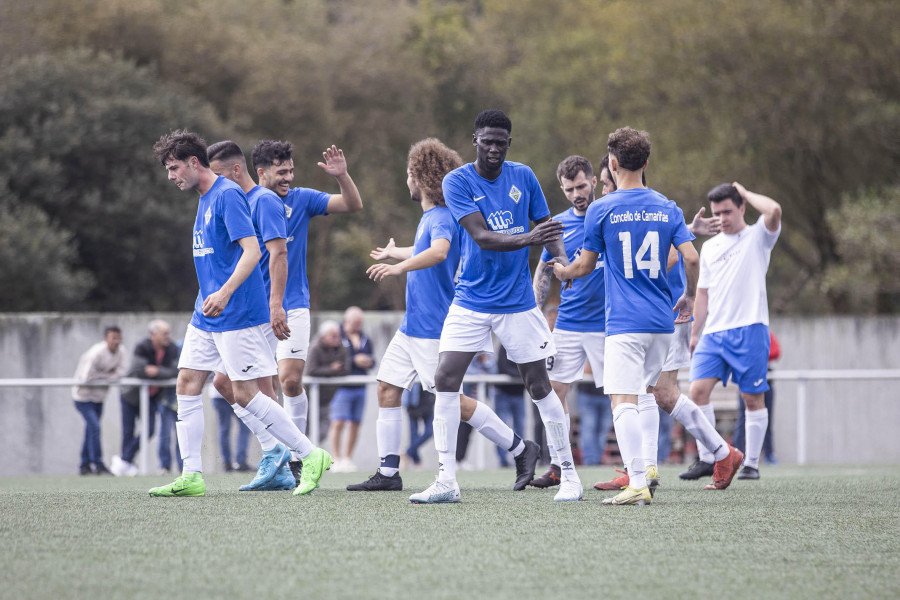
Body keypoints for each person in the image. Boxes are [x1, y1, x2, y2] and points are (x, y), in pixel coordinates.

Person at [554, 127, 741, 506]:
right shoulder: (667, 206)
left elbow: (585, 266)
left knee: (623, 401)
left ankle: (638, 480)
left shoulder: (601, 210)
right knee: (649, 396)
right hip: (662, 323)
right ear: (646, 163)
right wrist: (688, 296)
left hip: (624, 323)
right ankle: (652, 469)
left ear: (612, 163)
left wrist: (563, 273)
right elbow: (690, 257)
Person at [409, 109, 582, 504]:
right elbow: (482, 236)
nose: (493, 149)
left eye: (500, 142)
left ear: (509, 144)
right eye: (487, 141)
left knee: (539, 385)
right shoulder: (457, 181)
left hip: (517, 302)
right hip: (470, 298)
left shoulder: (523, 176)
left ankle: (569, 475)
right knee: (445, 379)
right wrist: (529, 238)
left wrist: (561, 261)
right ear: (475, 141)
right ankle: (446, 481)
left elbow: (549, 231)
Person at [349, 137, 541, 493]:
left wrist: (399, 267)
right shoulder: (431, 218)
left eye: (409, 173)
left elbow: (438, 252)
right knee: (387, 388)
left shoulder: (440, 217)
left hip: (433, 328)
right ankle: (389, 473)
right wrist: (398, 252)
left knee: (454, 402)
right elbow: (428, 247)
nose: (405, 180)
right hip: (412, 328)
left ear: (420, 178)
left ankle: (520, 447)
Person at [148, 130, 332, 497]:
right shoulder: (204, 198)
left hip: (237, 312)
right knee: (187, 383)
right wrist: (208, 297)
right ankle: (192, 475)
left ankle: (310, 455)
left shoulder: (228, 194)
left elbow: (253, 252)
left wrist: (225, 291)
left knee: (246, 393)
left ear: (193, 163)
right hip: (207, 314)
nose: (171, 176)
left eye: (173, 168)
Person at [252, 139, 363, 481]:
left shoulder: (302, 198)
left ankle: (299, 458)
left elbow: (352, 204)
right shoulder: (247, 202)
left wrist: (342, 176)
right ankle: (274, 456)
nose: (288, 177)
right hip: (253, 309)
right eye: (280, 171)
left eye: (291, 170)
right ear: (261, 173)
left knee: (289, 380)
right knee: (252, 388)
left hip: (294, 305)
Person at [206, 140, 294, 492]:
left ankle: (291, 458)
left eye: (217, 176)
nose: (213, 184)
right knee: (226, 384)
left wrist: (276, 305)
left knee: (262, 388)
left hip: (260, 311)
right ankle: (279, 455)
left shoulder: (265, 200)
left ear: (236, 171)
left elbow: (279, 254)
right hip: (244, 310)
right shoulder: (240, 202)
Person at [685, 181, 782, 481]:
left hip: (751, 329)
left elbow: (774, 209)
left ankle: (751, 464)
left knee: (752, 398)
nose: (722, 218)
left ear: (741, 208)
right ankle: (709, 458)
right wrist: (694, 331)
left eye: (727, 211)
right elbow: (702, 294)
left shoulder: (758, 237)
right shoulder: (710, 246)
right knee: (696, 392)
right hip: (714, 333)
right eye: (717, 213)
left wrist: (744, 191)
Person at [530, 155, 608, 488]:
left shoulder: (609, 214)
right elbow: (543, 270)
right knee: (553, 392)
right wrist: (535, 315)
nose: (577, 193)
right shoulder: (558, 225)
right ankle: (559, 465)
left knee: (627, 394)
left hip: (609, 324)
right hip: (570, 324)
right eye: (569, 189)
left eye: (581, 186)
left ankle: (642, 468)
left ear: (593, 181)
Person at [113, 319, 179, 477]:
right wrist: (159, 371)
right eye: (164, 334)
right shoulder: (142, 346)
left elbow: (174, 371)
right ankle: (126, 464)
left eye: (168, 333)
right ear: (153, 334)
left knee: (149, 430)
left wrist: (156, 371)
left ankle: (123, 460)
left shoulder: (172, 348)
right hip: (130, 396)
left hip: (151, 397)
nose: (167, 337)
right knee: (128, 431)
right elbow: (138, 370)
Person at [72, 326, 128, 475]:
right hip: (83, 398)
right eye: (113, 338)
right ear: (106, 339)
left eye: (118, 338)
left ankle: (84, 466)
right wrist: (108, 374)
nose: (116, 341)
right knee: (95, 428)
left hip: (99, 398)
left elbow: (121, 373)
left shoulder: (122, 351)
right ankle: (98, 464)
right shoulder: (96, 353)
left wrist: (102, 376)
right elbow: (86, 377)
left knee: (91, 430)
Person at [329, 306, 375, 472]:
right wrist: (354, 361)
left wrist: (368, 361)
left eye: (359, 323)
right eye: (355, 323)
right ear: (347, 321)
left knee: (355, 423)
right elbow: (333, 359)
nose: (357, 326)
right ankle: (336, 457)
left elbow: (373, 359)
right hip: (341, 387)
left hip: (360, 386)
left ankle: (347, 458)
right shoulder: (336, 336)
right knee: (338, 421)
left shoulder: (365, 339)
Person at [733, 331, 780, 464]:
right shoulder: (742, 335)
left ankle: (769, 455)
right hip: (747, 380)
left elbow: (776, 352)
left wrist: (757, 354)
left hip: (766, 381)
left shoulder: (766, 334)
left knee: (766, 420)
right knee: (743, 419)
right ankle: (739, 455)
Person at [492, 346, 526, 468]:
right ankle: (503, 462)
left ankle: (521, 459)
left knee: (520, 428)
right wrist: (524, 375)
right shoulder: (504, 345)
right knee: (501, 428)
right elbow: (503, 368)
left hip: (519, 394)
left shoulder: (525, 347)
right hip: (503, 393)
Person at [210, 384, 251, 472]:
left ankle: (238, 461)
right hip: (222, 395)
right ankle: (229, 462)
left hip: (236, 394)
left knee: (244, 427)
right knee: (225, 429)